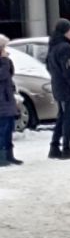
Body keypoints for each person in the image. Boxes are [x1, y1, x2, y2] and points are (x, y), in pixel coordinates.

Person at [46, 19, 70, 160]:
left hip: (59, 88)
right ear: (65, 32)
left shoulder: (53, 47)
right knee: (69, 118)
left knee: (62, 117)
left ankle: (54, 147)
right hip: (68, 90)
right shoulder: (65, 48)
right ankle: (66, 148)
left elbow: (49, 67)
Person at [0, 34, 22, 167]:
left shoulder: (4, 62)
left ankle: (9, 154)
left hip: (7, 99)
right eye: (3, 47)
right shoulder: (2, 62)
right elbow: (2, 75)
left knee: (9, 128)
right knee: (2, 130)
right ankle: (2, 156)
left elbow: (10, 73)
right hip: (1, 100)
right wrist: (4, 61)